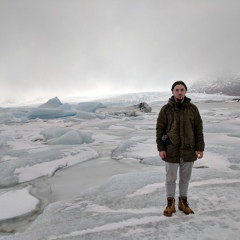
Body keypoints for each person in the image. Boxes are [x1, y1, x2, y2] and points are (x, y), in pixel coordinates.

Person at [156, 81, 205, 217]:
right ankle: (170, 204)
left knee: (185, 178)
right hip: (171, 150)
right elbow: (160, 130)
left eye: (182, 90)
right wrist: (161, 148)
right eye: (177, 90)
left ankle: (183, 202)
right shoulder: (165, 109)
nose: (179, 92)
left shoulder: (193, 109)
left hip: (189, 150)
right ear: (172, 92)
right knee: (170, 178)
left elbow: (198, 129)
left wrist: (199, 148)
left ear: (185, 91)